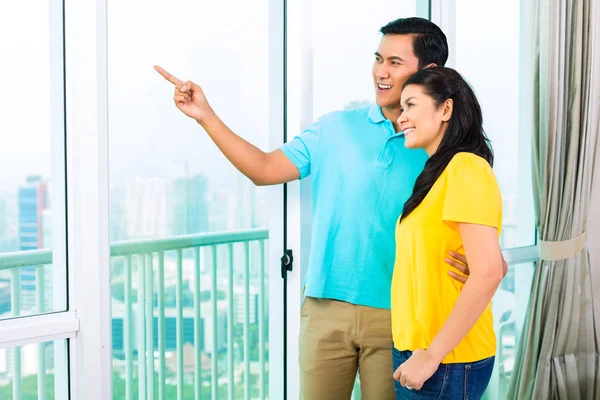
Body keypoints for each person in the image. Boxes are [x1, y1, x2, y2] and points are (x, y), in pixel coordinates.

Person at [155, 17, 503, 399]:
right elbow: (264, 168)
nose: (381, 72)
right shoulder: (334, 128)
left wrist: (483, 266)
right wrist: (206, 115)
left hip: (399, 320)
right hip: (324, 309)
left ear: (431, 72)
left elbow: (476, 240)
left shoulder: (440, 151)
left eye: (395, 62)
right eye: (378, 59)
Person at [391, 67, 504, 399]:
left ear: (446, 109)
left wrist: (429, 356)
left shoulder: (466, 169)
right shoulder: (437, 173)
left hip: (446, 360)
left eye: (411, 105)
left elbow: (489, 272)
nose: (402, 118)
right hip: (421, 353)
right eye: (401, 108)